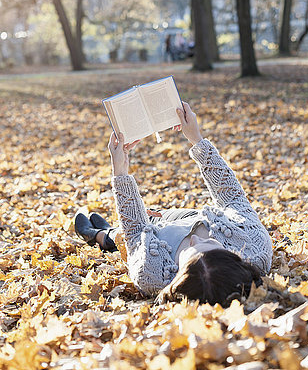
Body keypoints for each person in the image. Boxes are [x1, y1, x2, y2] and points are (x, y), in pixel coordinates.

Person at [74, 102, 272, 307]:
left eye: (192, 249)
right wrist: (197, 139)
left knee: (133, 233)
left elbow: (135, 232)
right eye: (211, 244)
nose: (195, 239)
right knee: (154, 215)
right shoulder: (255, 247)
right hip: (199, 218)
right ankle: (130, 225)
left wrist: (120, 171)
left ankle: (104, 236)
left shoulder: (151, 274)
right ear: (236, 259)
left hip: (161, 235)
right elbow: (231, 196)